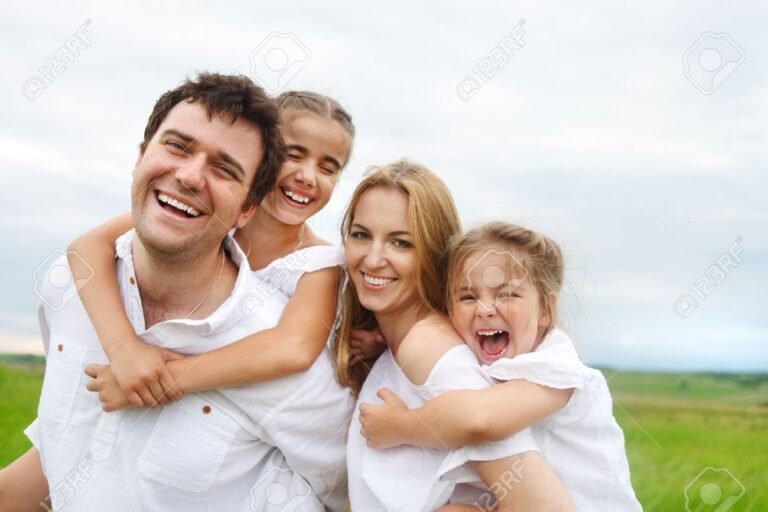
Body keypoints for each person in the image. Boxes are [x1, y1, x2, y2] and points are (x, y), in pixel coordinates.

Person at [0, 73, 353, 512]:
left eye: (328, 166)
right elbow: (85, 249)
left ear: (246, 201)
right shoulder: (89, 276)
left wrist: (167, 377)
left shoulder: (316, 268)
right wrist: (124, 347)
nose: (189, 177)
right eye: (293, 155)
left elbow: (294, 349)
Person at [335, 161, 575, 511]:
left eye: (400, 243)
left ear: (433, 255)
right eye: (361, 235)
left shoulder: (429, 348)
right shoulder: (403, 343)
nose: (373, 259)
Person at [358, 222, 643, 511]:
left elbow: (479, 419)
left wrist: (400, 426)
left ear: (545, 310)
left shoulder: (555, 368)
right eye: (468, 297)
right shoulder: (497, 360)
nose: (484, 309)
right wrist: (383, 341)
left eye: (506, 294)